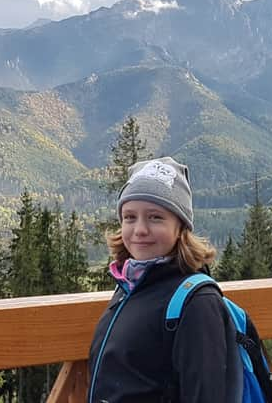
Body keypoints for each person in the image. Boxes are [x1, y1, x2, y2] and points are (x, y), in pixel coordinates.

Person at [87, 156, 242, 403]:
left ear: (180, 227)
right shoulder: (130, 286)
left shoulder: (197, 302)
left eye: (155, 217)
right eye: (130, 217)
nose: (139, 229)